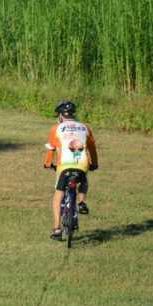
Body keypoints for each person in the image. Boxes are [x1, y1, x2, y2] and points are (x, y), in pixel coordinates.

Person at [43, 101, 99, 240]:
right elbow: (92, 148)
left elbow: (51, 149)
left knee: (58, 195)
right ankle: (81, 202)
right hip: (82, 163)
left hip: (65, 165)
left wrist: (48, 163)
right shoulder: (85, 127)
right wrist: (94, 164)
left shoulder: (56, 128)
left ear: (61, 116)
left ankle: (56, 230)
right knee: (83, 180)